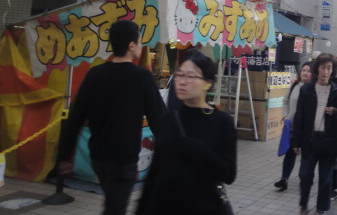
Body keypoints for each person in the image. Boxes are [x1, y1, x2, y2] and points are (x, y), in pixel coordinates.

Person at [58, 20, 166, 215]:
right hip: (123, 159)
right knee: (115, 208)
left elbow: (76, 117)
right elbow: (159, 118)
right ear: (131, 45)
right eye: (140, 41)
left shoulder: (95, 74)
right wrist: (171, 151)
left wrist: (64, 156)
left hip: (98, 157)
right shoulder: (142, 77)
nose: (141, 46)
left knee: (113, 203)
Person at [136, 49, 236, 214]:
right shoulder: (168, 119)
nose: (182, 81)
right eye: (179, 75)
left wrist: (199, 150)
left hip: (203, 208)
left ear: (208, 83)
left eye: (190, 76)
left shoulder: (221, 122)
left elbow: (229, 174)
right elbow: (156, 170)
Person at [291, 54, 337, 215]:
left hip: (328, 141)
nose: (325, 71)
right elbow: (299, 116)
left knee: (325, 178)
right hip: (310, 139)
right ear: (317, 69)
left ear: (332, 70)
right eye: (323, 67)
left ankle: (322, 207)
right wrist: (296, 141)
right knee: (305, 175)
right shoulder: (307, 89)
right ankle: (303, 204)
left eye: (329, 68)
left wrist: (336, 112)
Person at [274, 61, 313, 191]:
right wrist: (286, 115)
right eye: (304, 70)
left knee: (306, 154)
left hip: (307, 128)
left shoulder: (314, 88)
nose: (305, 73)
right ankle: (284, 179)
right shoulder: (295, 85)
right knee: (290, 152)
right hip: (292, 126)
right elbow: (285, 100)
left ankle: (305, 177)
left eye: (309, 71)